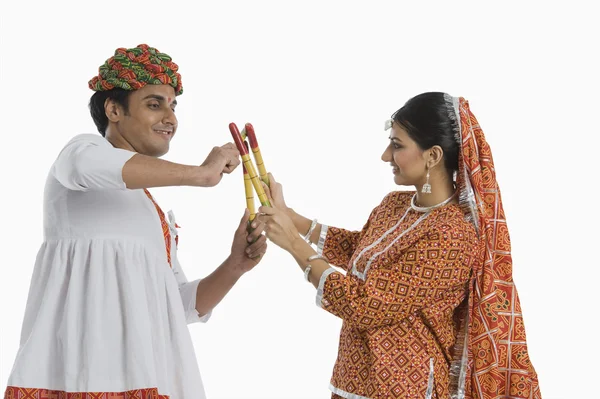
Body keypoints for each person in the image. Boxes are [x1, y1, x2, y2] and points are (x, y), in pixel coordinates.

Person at [3, 44, 267, 399]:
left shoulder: (149, 208)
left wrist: (235, 266)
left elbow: (179, 306)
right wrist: (201, 174)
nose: (170, 118)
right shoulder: (80, 153)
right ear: (113, 109)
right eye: (154, 104)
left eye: (173, 106)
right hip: (84, 377)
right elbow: (92, 168)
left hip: (149, 378)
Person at [257, 92, 541, 398]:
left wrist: (294, 244)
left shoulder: (452, 236)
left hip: (405, 389)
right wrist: (291, 218)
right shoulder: (394, 205)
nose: (385, 156)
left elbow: (364, 304)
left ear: (432, 156)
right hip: (354, 381)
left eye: (397, 145)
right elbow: (359, 252)